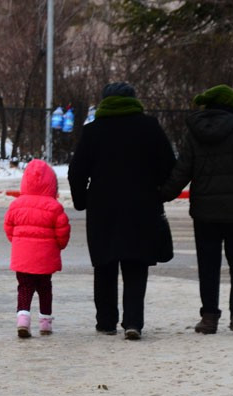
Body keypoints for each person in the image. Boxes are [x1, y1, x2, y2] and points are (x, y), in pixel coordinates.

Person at [68, 82, 176, 340]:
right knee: (136, 264)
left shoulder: (93, 131)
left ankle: (106, 322)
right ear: (134, 100)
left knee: (105, 265)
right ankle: (133, 323)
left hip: (103, 208)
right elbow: (169, 166)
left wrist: (82, 200)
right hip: (142, 205)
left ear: (104, 101)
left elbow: (76, 172)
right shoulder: (149, 127)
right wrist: (158, 193)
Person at [160, 85, 233, 335]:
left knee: (208, 263)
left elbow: (182, 171)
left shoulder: (194, 133)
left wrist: (161, 195)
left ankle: (209, 317)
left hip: (204, 212)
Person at [4, 158, 71, 337]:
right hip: (45, 258)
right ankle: (45, 323)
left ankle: (23, 319)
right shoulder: (55, 207)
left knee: (24, 288)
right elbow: (63, 233)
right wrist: (58, 247)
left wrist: (18, 243)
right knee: (45, 288)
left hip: (23, 257)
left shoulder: (16, 204)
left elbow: (9, 228)